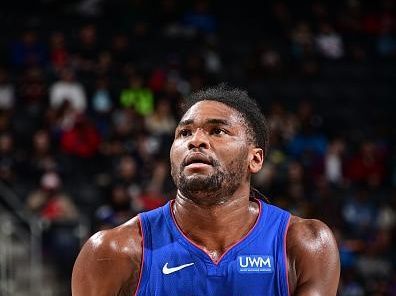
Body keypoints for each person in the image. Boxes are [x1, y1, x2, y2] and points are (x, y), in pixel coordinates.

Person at [72, 84, 340, 295]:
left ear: (255, 159)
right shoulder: (114, 251)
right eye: (184, 133)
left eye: (217, 131)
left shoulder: (305, 244)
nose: (196, 140)